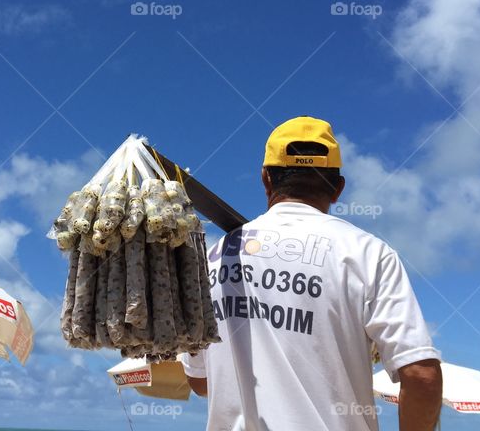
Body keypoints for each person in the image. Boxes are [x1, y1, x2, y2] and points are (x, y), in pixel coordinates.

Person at [180, 116, 442, 431]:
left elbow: (201, 382)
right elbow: (421, 377)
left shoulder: (212, 258)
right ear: (338, 189)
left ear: (266, 179)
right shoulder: (367, 253)